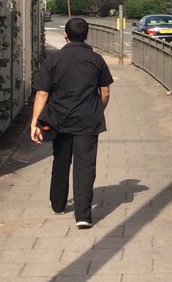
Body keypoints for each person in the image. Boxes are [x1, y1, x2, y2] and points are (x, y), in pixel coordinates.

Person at [29, 17, 113, 228]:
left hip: (59, 119)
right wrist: (97, 110)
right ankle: (83, 215)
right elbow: (105, 92)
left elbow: (42, 94)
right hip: (87, 121)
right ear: (86, 35)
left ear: (66, 35)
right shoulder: (96, 60)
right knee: (85, 166)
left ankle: (58, 204)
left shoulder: (54, 60)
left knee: (61, 160)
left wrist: (34, 123)